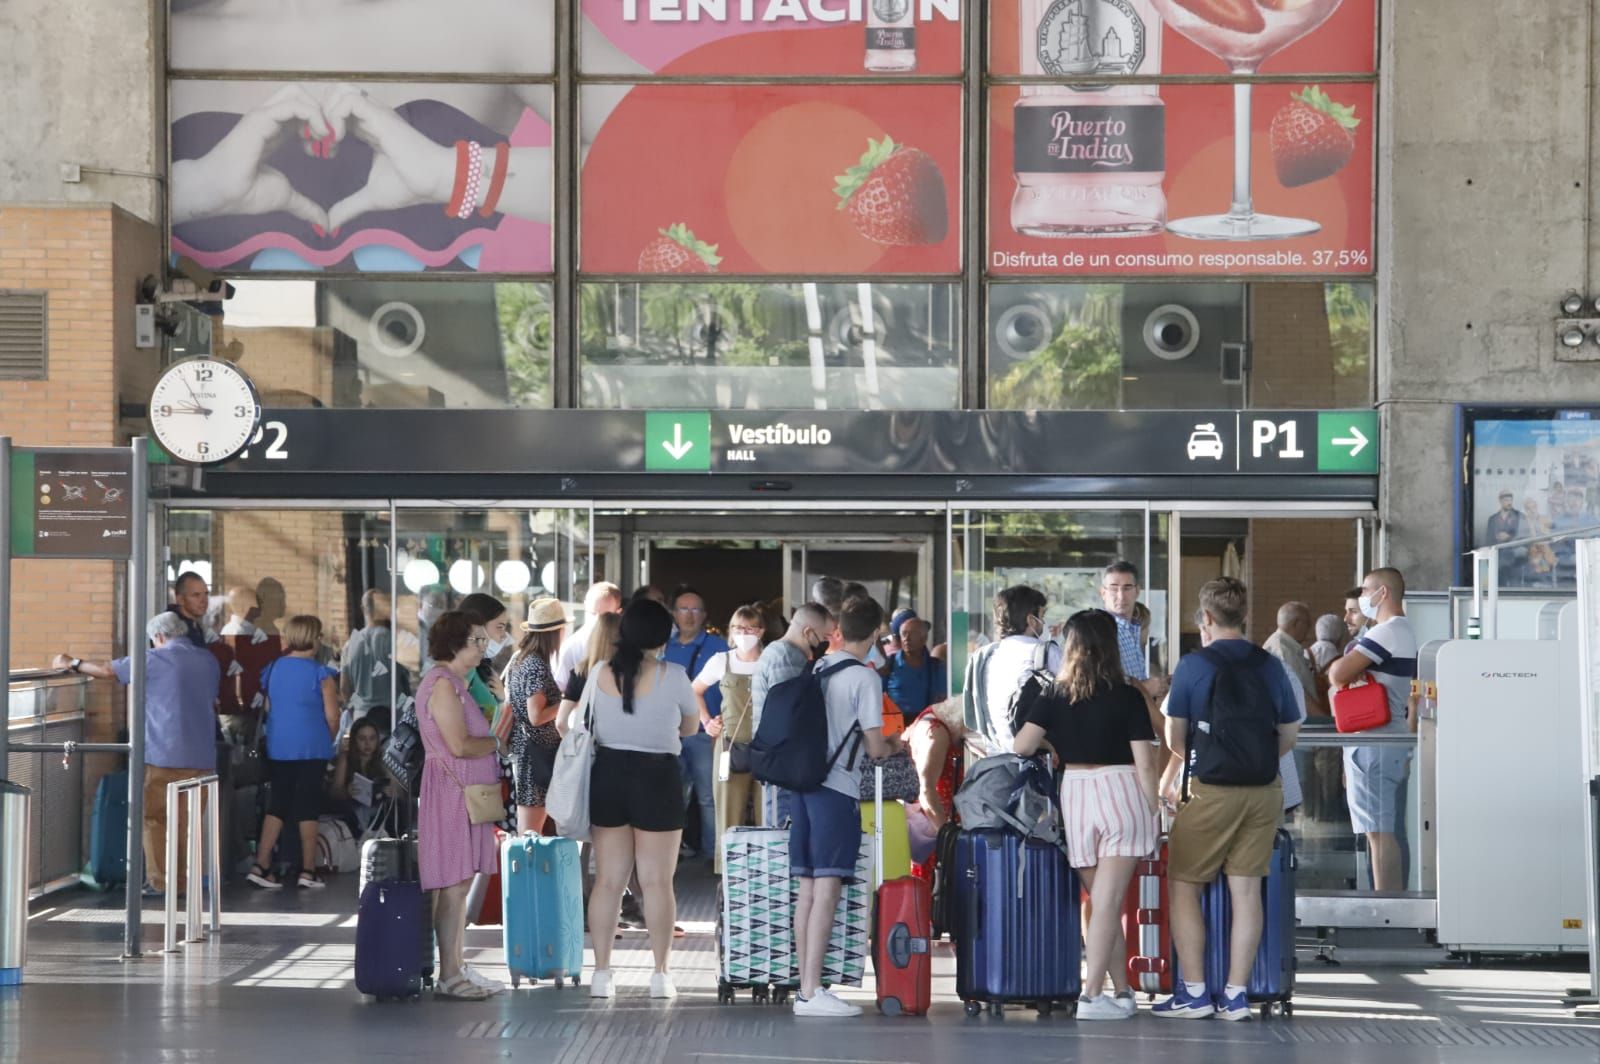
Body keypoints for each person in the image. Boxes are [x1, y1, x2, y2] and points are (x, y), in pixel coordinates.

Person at [1155, 578, 1302, 1021]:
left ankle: (1195, 992)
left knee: (1184, 885)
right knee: (1246, 890)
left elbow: (1174, 736)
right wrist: (1254, 760)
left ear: (1206, 619)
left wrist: (1209, 759)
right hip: (1263, 791)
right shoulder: (1270, 665)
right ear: (1244, 618)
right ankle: (1236, 996)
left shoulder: (1194, 666)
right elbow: (1290, 734)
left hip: (1210, 789)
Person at [1013, 610, 1158, 1021]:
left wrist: (1052, 747)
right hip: (1122, 790)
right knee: (1109, 903)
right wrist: (1155, 809)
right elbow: (1145, 763)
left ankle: (1122, 991)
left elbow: (1022, 745)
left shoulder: (1055, 694)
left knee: (1101, 903)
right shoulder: (1128, 695)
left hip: (1075, 794)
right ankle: (1092, 995)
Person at [54, 613, 221, 898]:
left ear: (158, 637)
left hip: (163, 754)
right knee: (186, 822)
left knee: (155, 819)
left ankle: (160, 882)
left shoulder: (153, 659)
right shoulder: (208, 660)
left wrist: (72, 663)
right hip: (202, 755)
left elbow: (108, 670)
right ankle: (183, 881)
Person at [790, 595, 902, 1019]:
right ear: (876, 633)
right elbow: (874, 746)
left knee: (807, 889)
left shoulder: (820, 666)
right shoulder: (865, 678)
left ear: (839, 628)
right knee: (828, 888)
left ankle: (805, 986)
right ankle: (812, 990)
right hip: (836, 791)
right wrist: (893, 743)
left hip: (802, 787)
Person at [586, 599, 701, 1001]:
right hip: (658, 776)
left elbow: (582, 722)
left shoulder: (600, 672)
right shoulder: (675, 676)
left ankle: (601, 973)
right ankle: (660, 974)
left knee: (608, 882)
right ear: (663, 635)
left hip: (608, 774)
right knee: (656, 882)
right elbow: (690, 726)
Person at [416, 610, 506, 1001]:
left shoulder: (455, 683)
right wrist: (498, 743)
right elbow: (458, 745)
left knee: (460, 883)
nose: (483, 647)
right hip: (453, 794)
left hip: (463, 793)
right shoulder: (441, 685)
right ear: (454, 643)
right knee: (453, 885)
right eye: (476, 640)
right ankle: (449, 973)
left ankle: (455, 967)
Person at [1327, 567, 1417, 893]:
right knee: (1380, 830)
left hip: (1374, 740)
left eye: (1366, 590)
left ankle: (1386, 906)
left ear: (1384, 593)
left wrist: (1342, 668)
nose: (1363, 597)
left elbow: (1338, 673)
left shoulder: (1385, 633)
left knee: (1379, 833)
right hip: (1388, 738)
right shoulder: (1403, 631)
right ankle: (1388, 900)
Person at [245, 615, 340, 889]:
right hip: (312, 746)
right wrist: (329, 738)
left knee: (278, 804)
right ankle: (308, 870)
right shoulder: (321, 674)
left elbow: (268, 707)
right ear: (314, 639)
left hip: (279, 747)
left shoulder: (272, 669)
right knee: (307, 807)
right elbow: (332, 717)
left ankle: (261, 864)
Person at [690, 605, 765, 874]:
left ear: (761, 631)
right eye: (738, 628)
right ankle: (728, 878)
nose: (744, 633)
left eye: (750, 628)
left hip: (766, 747)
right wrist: (707, 721)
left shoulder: (771, 660)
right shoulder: (721, 660)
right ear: (731, 631)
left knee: (767, 814)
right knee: (727, 814)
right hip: (729, 744)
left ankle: (766, 872)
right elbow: (694, 690)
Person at [751, 603, 835, 826]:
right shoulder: (787, 659)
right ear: (808, 632)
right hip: (784, 764)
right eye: (825, 636)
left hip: (779, 761)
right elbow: (791, 715)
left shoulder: (778, 652)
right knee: (784, 836)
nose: (828, 642)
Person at [961, 585, 1062, 751]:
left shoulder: (988, 654)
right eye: (1042, 616)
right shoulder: (1046, 652)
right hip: (1038, 752)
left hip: (998, 753)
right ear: (1031, 620)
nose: (1044, 623)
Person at [502, 597, 567, 835]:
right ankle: (528, 874)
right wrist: (564, 702)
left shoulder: (519, 659)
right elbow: (536, 716)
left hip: (527, 752)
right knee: (530, 836)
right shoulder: (535, 664)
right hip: (535, 756)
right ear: (555, 632)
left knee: (529, 833)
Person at [1098, 561, 1168, 702]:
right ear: (1103, 593)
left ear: (1137, 591)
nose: (1121, 596)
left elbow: (1130, 678)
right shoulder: (1099, 631)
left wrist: (1157, 684)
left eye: (1127, 588)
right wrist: (1145, 687)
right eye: (1114, 588)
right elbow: (1096, 687)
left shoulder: (1134, 629)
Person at [555, 581, 624, 690]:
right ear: (585, 605)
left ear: (618, 613)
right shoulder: (571, 647)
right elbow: (561, 690)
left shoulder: (628, 645)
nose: (596, 621)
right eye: (592, 613)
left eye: (605, 617)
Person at [1261, 602, 1325, 717]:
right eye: (1308, 624)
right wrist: (1322, 720)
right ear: (1297, 623)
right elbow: (1296, 692)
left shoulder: (1286, 646)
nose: (1309, 629)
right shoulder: (1282, 650)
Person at [327, 717, 390, 834]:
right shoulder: (346, 758)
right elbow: (335, 791)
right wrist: (347, 791)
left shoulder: (382, 761)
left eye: (372, 738)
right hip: (351, 811)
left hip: (376, 810)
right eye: (362, 739)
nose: (367, 744)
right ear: (354, 740)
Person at [457, 592, 512, 722]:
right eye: (499, 627)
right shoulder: (461, 671)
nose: (504, 636)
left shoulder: (481, 669)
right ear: (477, 626)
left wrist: (500, 698)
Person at [884, 616, 947, 721]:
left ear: (924, 638)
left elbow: (942, 701)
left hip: (925, 726)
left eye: (913, 634)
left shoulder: (936, 667)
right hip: (894, 728)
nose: (906, 638)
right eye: (904, 634)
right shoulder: (889, 664)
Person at [166, 570, 211, 648]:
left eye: (206, 594)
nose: (204, 600)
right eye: (196, 595)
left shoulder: (194, 625)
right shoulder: (172, 629)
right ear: (180, 600)